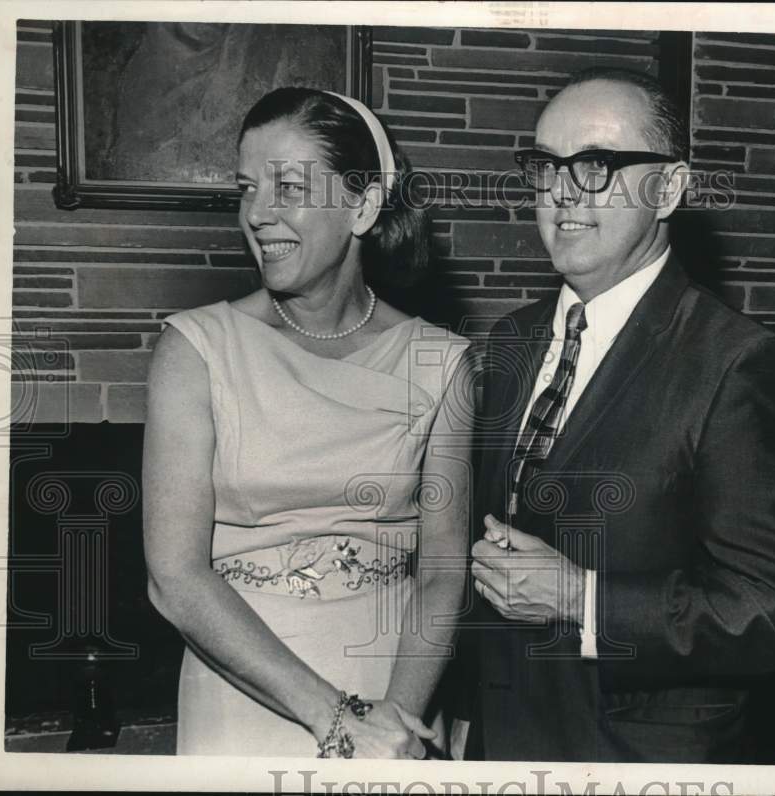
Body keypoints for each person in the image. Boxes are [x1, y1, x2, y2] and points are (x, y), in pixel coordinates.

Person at [460, 67, 775, 762]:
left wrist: (584, 599)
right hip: (503, 739)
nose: (562, 192)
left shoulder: (738, 362)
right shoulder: (513, 337)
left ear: (669, 188)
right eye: (545, 166)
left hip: (638, 755)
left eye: (595, 165)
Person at [143, 87, 473, 758]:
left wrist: (396, 727)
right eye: (246, 189)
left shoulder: (442, 361)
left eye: (287, 186)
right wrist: (336, 720)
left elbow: (443, 569)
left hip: (396, 687)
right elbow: (173, 576)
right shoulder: (195, 350)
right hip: (244, 691)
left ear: (362, 205)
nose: (258, 214)